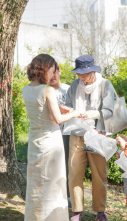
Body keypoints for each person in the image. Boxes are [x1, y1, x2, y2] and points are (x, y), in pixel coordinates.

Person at [22, 54, 83, 221]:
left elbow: (43, 110)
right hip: (51, 143)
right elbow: (56, 119)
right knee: (54, 189)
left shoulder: (26, 89)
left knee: (37, 187)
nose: (54, 74)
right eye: (52, 70)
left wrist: (61, 108)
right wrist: (73, 113)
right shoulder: (47, 89)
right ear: (45, 69)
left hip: (35, 142)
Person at [65, 55, 115, 221]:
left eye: (85, 74)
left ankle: (100, 211)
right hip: (77, 133)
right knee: (74, 172)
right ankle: (77, 210)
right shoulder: (73, 85)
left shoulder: (105, 85)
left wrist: (94, 114)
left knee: (99, 174)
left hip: (98, 134)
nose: (82, 78)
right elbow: (67, 105)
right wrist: (72, 111)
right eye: (79, 74)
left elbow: (109, 111)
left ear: (93, 71)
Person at [49, 63, 71, 207]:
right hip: (51, 132)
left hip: (68, 132)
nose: (53, 76)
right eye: (49, 73)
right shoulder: (45, 91)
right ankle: (53, 194)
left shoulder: (69, 89)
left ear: (59, 72)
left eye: (55, 72)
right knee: (53, 164)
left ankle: (67, 197)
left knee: (68, 165)